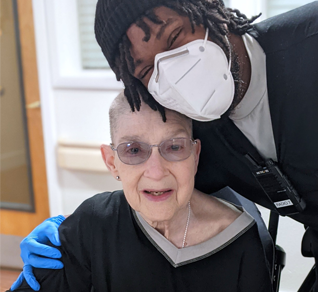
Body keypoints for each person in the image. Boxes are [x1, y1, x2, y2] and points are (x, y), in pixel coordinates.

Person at [13, 0, 318, 291]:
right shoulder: (203, 139)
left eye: (176, 37)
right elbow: (156, 187)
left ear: (215, 14)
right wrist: (72, 234)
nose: (171, 70)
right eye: (146, 70)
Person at [8, 92, 272, 292]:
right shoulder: (94, 224)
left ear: (195, 155)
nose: (156, 172)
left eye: (175, 147)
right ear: (112, 162)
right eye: (134, 150)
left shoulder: (240, 239)